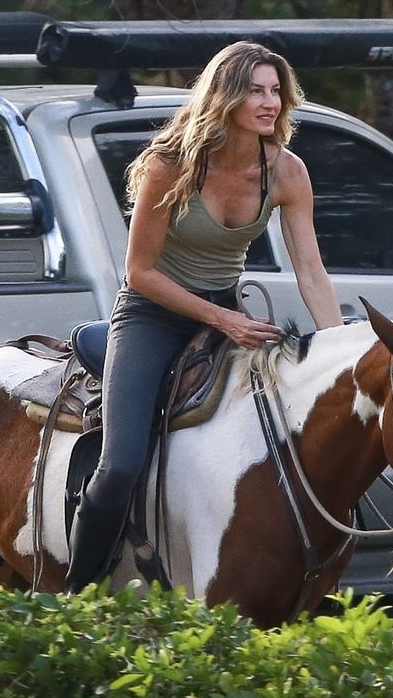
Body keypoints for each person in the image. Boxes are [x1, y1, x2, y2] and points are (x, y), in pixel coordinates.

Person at [66, 41, 343, 592]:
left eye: (276, 92)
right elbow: (139, 272)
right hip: (152, 313)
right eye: (256, 91)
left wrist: (340, 351)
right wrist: (223, 323)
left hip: (227, 308)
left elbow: (311, 272)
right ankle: (77, 589)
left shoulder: (286, 171)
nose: (271, 103)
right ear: (225, 97)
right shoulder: (169, 165)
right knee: (120, 465)